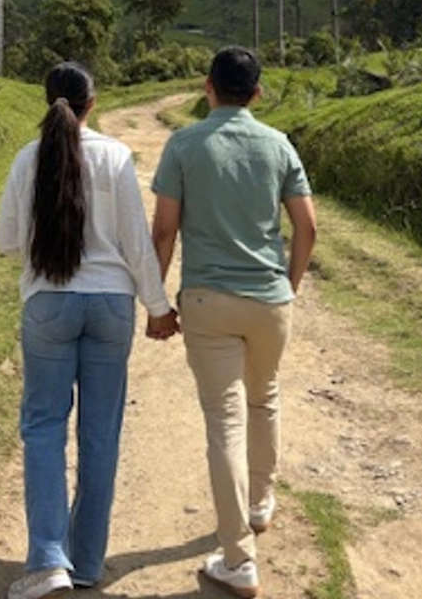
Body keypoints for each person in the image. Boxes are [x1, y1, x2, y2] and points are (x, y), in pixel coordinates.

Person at [0, 61, 179, 599]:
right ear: (92, 104)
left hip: (48, 305)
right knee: (101, 432)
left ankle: (47, 560)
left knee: (44, 427)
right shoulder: (116, 156)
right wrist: (158, 306)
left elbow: (8, 240)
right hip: (111, 307)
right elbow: (136, 242)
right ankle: (86, 564)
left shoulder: (28, 159)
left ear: (45, 100)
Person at [150, 46, 318, 598]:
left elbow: (164, 232)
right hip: (270, 299)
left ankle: (238, 558)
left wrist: (156, 301)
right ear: (258, 93)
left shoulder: (184, 144)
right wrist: (286, 289)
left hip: (207, 301)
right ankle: (260, 503)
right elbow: (307, 229)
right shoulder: (279, 145)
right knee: (264, 396)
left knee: (223, 421)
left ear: (208, 87)